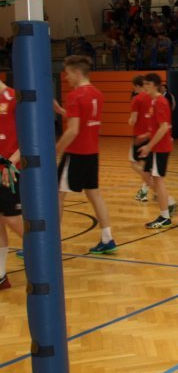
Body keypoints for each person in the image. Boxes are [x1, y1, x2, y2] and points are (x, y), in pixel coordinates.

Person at [55, 55, 116, 254]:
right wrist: (61, 111)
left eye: (67, 73)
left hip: (75, 153)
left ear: (77, 72)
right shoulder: (97, 93)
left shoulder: (75, 95)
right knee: (94, 194)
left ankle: (51, 243)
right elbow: (83, 119)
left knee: (57, 195)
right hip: (91, 152)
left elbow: (73, 130)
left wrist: (56, 150)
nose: (65, 78)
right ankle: (108, 238)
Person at [137, 73, 176, 229]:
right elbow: (157, 127)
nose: (145, 87)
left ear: (154, 85)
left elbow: (164, 127)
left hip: (160, 148)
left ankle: (165, 216)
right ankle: (166, 209)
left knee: (158, 181)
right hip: (156, 147)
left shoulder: (160, 102)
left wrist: (149, 146)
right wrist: (146, 136)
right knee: (149, 176)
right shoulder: (153, 101)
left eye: (147, 84)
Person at [0, 79, 24, 290]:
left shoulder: (14, 98)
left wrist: (11, 162)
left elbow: (30, 135)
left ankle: (46, 254)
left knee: (12, 219)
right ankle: (1, 276)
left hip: (10, 172)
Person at [128, 74, 153, 202]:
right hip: (151, 135)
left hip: (139, 136)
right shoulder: (152, 97)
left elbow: (133, 120)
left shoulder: (137, 99)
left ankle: (152, 186)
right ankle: (144, 192)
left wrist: (129, 120)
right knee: (146, 167)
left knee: (133, 163)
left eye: (134, 87)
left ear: (137, 86)